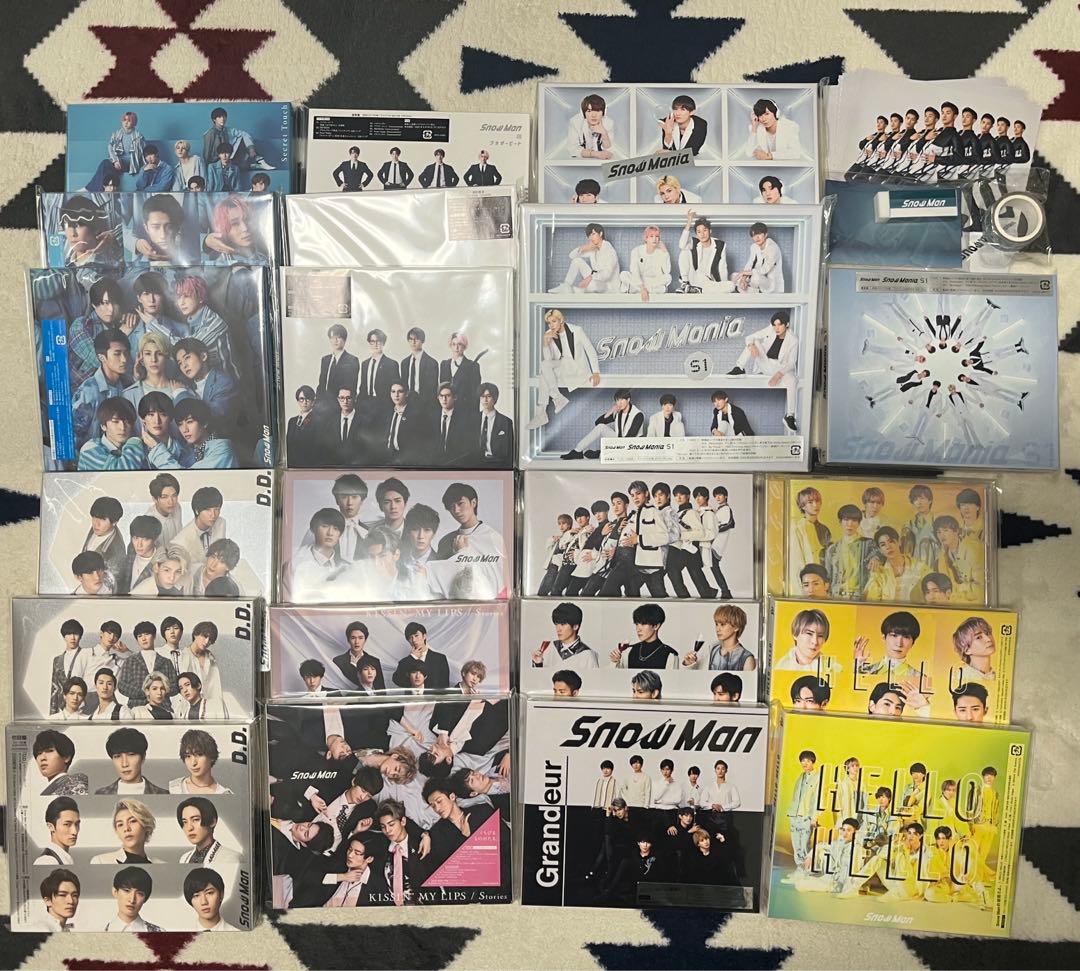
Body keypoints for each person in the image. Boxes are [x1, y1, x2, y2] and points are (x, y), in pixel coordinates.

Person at [527, 308, 600, 430]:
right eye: (549, 323)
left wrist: (596, 372)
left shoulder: (576, 330)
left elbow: (590, 349)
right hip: (562, 366)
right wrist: (545, 342)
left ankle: (544, 411)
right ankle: (553, 402)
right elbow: (548, 359)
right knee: (544, 366)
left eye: (554, 321)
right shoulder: (549, 333)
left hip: (576, 368)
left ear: (561, 320)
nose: (551, 325)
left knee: (543, 374)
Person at [727, 310, 798, 431]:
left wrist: (779, 374)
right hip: (766, 363)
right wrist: (751, 346)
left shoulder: (793, 340)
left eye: (779, 325)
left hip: (781, 368)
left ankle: (790, 416)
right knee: (753, 342)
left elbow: (791, 363)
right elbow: (750, 337)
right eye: (774, 325)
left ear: (786, 324)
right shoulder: (771, 330)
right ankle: (739, 367)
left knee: (792, 381)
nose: (776, 328)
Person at [561, 389, 644, 460]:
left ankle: (600, 453)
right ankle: (577, 451)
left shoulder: (638, 414)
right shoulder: (618, 412)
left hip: (631, 446)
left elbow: (629, 437)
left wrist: (612, 448)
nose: (619, 403)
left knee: (604, 457)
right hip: (619, 441)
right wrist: (610, 412)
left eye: (622, 400)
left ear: (628, 399)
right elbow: (598, 423)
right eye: (617, 400)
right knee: (601, 427)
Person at [377, 799, 425, 905]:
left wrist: (424, 835)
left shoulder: (421, 846)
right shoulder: (380, 847)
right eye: (383, 827)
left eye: (391, 824)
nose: (387, 830)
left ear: (403, 821)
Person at [549, 223, 620, 294]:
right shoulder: (593, 249)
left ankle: (573, 290)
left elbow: (607, 274)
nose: (591, 238)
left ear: (601, 234)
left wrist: (590, 278)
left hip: (609, 287)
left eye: (593, 234)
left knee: (593, 285)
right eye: (589, 236)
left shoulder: (609, 250)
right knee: (577, 261)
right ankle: (566, 285)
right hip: (597, 280)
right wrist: (584, 247)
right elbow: (572, 256)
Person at [822, 505, 876, 599]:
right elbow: (827, 577)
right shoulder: (832, 549)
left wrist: (876, 558)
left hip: (861, 596)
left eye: (854, 520)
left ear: (859, 523)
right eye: (846, 520)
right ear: (840, 522)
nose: (850, 524)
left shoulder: (868, 544)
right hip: (837, 596)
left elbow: (880, 553)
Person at [682, 604, 755, 671]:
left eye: (722, 624)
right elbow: (697, 676)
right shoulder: (712, 650)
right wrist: (689, 664)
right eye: (716, 624)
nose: (718, 629)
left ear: (736, 627)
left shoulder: (747, 658)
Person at [96, 727, 167, 794]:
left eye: (131, 754)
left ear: (143, 757)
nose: (124, 764)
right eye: (117, 756)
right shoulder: (101, 793)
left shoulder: (163, 793)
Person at [90, 799, 163, 863]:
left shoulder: (160, 863)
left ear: (146, 826)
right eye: (120, 824)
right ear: (117, 831)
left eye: (132, 821)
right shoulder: (100, 861)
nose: (126, 829)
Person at [172, 485, 227, 569]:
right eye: (207, 510)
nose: (213, 515)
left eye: (216, 509)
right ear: (197, 511)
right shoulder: (182, 539)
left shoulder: (220, 523)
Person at [864, 526, 924, 602]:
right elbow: (873, 601)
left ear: (899, 542)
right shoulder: (879, 574)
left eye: (891, 541)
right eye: (883, 545)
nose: (888, 547)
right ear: (880, 550)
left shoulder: (919, 566)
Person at [677, 212, 731, 293]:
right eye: (699, 232)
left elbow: (722, 267)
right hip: (694, 277)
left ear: (710, 231)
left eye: (705, 230)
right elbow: (681, 245)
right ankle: (685, 283)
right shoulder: (694, 242)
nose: (702, 234)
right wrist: (689, 222)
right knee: (684, 250)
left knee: (731, 285)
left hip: (708, 281)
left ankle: (697, 290)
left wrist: (724, 283)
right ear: (696, 234)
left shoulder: (720, 245)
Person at [532, 602, 598, 668]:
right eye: (556, 624)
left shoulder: (588, 655)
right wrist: (538, 664)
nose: (558, 629)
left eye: (563, 624)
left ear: (575, 626)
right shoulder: (550, 647)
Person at [775, 608, 841, 672]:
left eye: (820, 636)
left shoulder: (833, 669)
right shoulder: (781, 666)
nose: (815, 642)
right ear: (795, 634)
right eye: (809, 633)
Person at [170, 728, 233, 794]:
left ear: (211, 757)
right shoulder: (174, 788)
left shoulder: (223, 793)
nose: (193, 763)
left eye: (199, 754)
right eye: (188, 756)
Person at [178, 797, 239, 864]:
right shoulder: (184, 859)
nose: (189, 828)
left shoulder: (231, 858)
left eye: (196, 819)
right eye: (185, 822)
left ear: (212, 822)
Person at [392, 622, 451, 690]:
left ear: (424, 636)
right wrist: (412, 658)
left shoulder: (440, 659)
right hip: (412, 697)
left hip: (433, 696)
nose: (414, 640)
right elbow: (397, 680)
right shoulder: (406, 661)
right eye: (410, 637)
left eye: (416, 635)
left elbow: (444, 686)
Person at [619, 225, 671, 301]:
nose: (654, 239)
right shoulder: (636, 251)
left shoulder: (660, 253)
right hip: (639, 280)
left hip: (653, 281)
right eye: (651, 236)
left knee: (668, 277)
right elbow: (634, 271)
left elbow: (667, 271)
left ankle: (631, 288)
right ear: (646, 238)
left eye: (657, 236)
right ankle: (657, 290)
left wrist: (665, 252)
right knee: (623, 274)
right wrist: (642, 288)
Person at [103, 867, 163, 932]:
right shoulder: (100, 931)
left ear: (146, 898)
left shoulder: (159, 932)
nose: (132, 900)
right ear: (115, 892)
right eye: (126, 890)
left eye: (139, 893)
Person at [732, 222, 784, 295]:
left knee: (755, 277)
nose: (756, 238)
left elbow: (764, 270)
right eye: (754, 235)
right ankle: (751, 291)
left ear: (765, 234)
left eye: (759, 234)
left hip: (770, 283)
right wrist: (743, 279)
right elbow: (749, 264)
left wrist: (743, 273)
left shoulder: (773, 248)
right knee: (734, 276)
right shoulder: (754, 247)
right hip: (756, 279)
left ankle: (748, 290)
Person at [317, 323, 361, 408]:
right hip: (323, 405)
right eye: (332, 338)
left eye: (338, 337)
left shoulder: (352, 360)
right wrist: (318, 403)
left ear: (344, 340)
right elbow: (321, 384)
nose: (335, 340)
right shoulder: (325, 360)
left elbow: (351, 387)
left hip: (341, 405)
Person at [34, 730, 89, 796]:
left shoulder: (76, 785)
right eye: (39, 753)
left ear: (66, 757)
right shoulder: (51, 789)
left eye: (49, 751)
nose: (42, 758)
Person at [438, 332, 482, 407]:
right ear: (450, 346)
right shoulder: (444, 364)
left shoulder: (473, 366)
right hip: (447, 409)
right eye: (453, 344)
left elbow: (475, 394)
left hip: (465, 409)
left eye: (459, 344)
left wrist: (474, 413)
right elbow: (441, 389)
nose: (456, 347)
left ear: (464, 346)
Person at [35, 797, 81, 866]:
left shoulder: (65, 858)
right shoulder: (47, 861)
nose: (75, 831)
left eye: (77, 824)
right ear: (51, 827)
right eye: (67, 824)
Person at [568, 93, 614, 159]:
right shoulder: (575, 122)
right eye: (589, 111)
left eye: (598, 111)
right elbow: (573, 149)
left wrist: (604, 133)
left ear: (603, 113)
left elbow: (609, 150)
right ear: (584, 113)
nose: (593, 115)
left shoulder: (609, 123)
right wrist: (595, 154)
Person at [952, 616, 997, 681]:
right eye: (978, 637)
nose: (988, 639)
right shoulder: (965, 678)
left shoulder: (993, 675)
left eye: (988, 633)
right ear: (967, 650)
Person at [288, 385, 319, 464]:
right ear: (298, 401)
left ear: (313, 401)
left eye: (308, 399)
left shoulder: (318, 421)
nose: (304, 402)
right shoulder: (292, 421)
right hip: (291, 464)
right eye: (301, 399)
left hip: (308, 464)